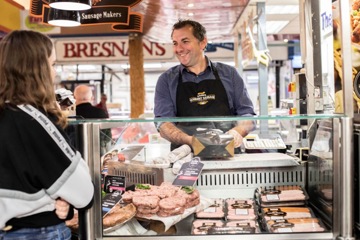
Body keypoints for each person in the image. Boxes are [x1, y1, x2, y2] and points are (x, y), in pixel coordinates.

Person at [0, 30, 94, 239]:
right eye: (52, 65)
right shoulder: (32, 119)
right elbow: (83, 192)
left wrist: (61, 200)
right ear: (37, 70)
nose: (54, 73)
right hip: (34, 233)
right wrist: (63, 200)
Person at [154, 19, 256, 150]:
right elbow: (163, 124)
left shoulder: (229, 74)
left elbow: (247, 115)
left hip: (227, 155)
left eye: (185, 41)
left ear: (203, 42)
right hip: (185, 157)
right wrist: (192, 141)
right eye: (175, 43)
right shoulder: (166, 80)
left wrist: (237, 132)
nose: (179, 49)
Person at [74, 85, 112, 154]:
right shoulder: (101, 113)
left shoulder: (70, 115)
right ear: (92, 98)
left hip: (76, 156)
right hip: (97, 154)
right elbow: (107, 139)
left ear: (74, 98)